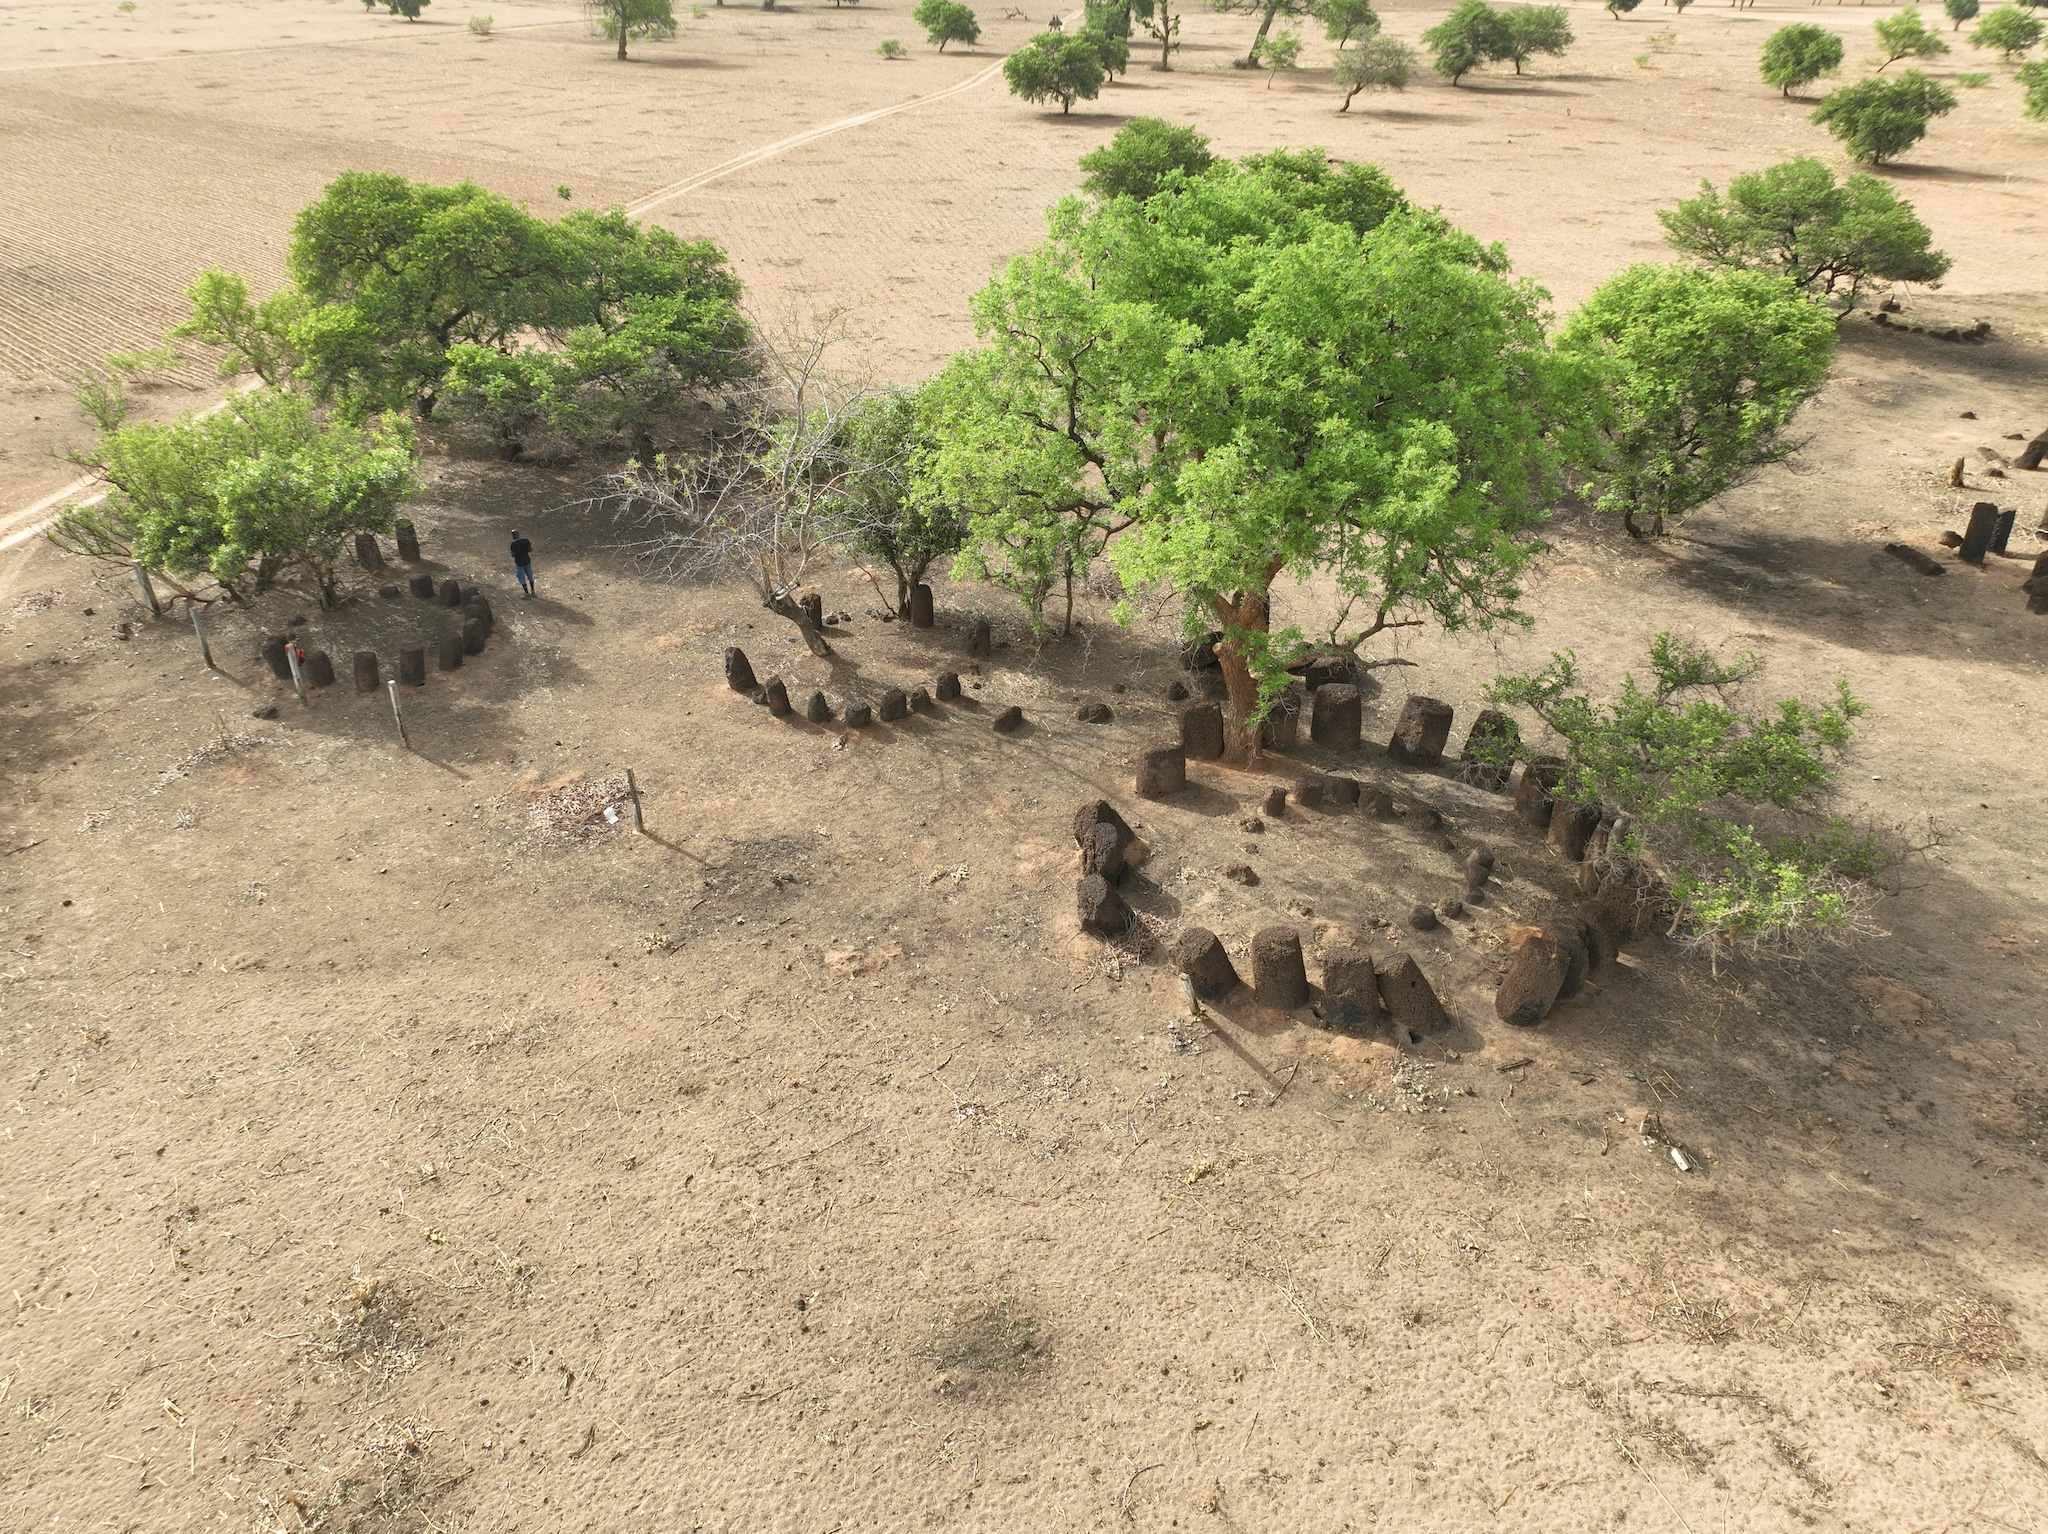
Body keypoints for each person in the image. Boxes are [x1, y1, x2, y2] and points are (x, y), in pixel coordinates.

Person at [510, 529, 536, 597]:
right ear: (518, 534)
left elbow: (513, 555)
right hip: (527, 561)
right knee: (530, 576)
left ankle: (526, 593)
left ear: (513, 536)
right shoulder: (526, 540)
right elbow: (530, 550)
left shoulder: (513, 544)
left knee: (522, 578)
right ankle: (533, 591)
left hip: (519, 563)